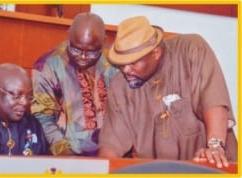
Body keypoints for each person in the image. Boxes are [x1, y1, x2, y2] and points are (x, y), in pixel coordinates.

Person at [98, 16, 237, 168]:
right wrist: (104, 169)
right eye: (121, 64)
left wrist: (215, 147)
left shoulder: (192, 50)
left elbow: (213, 100)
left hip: (214, 166)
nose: (125, 70)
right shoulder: (120, 85)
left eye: (132, 62)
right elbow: (110, 145)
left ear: (156, 53)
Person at [31, 12, 118, 156]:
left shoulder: (115, 62)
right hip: (69, 152)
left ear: (104, 41)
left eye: (91, 52)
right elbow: (43, 116)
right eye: (76, 49)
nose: (83, 57)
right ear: (69, 34)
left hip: (112, 150)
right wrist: (63, 150)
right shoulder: (48, 66)